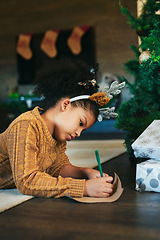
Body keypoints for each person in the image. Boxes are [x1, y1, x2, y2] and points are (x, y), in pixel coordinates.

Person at [0, 58, 114, 198]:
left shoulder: (57, 137)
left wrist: (85, 172)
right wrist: (83, 188)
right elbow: (26, 181)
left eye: (83, 131)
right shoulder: (26, 125)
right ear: (65, 105)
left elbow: (57, 167)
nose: (78, 133)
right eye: (80, 123)